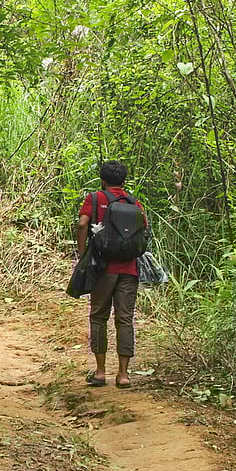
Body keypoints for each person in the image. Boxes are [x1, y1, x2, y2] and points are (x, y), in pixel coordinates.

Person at [76, 160, 144, 388]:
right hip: (129, 269)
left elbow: (82, 224)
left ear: (102, 179)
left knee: (98, 316)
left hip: (102, 268)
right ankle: (123, 375)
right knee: (125, 319)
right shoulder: (134, 202)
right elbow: (143, 231)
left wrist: (83, 255)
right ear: (124, 181)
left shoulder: (95, 198)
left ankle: (100, 372)